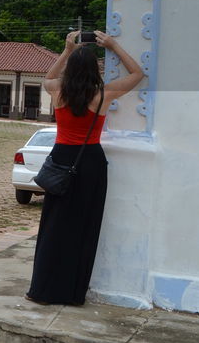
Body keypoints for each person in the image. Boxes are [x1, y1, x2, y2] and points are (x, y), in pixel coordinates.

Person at [26, 30, 144, 306]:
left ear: (72, 68)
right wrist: (114, 44)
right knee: (83, 228)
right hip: (89, 162)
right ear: (94, 69)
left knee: (53, 227)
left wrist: (66, 51)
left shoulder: (58, 91)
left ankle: (41, 290)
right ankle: (71, 293)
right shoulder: (102, 95)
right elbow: (137, 74)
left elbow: (48, 78)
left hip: (61, 159)